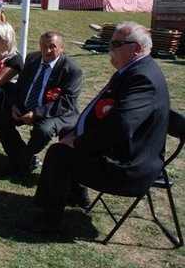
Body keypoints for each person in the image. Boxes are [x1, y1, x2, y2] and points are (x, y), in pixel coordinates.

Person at [17, 22, 170, 234]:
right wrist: (78, 133)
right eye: (111, 42)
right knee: (65, 145)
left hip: (127, 166)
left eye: (117, 43)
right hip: (119, 151)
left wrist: (79, 141)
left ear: (136, 48)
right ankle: (75, 195)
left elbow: (121, 126)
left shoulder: (143, 77)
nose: (111, 47)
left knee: (58, 154)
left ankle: (49, 220)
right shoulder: (133, 71)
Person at [0, 31, 82, 175]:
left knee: (44, 130)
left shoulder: (72, 70)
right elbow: (19, 85)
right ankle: (26, 159)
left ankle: (20, 162)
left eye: (52, 47)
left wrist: (36, 113)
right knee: (0, 119)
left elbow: (66, 102)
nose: (47, 51)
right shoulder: (32, 59)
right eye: (44, 46)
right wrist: (14, 104)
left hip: (55, 112)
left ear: (62, 47)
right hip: (26, 105)